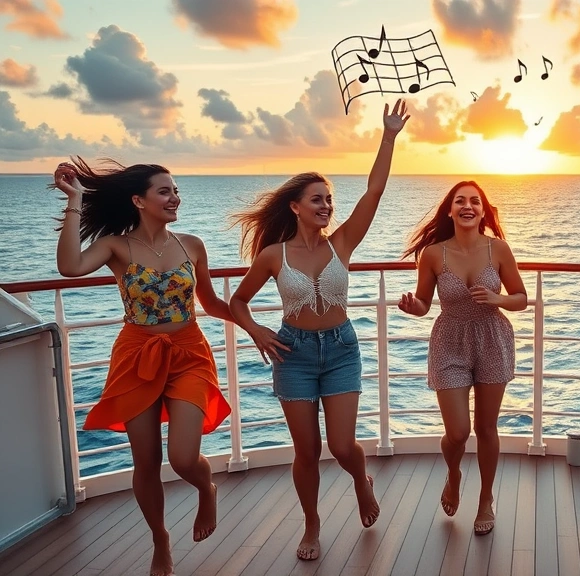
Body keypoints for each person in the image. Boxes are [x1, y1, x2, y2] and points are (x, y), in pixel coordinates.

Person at [228, 100, 409, 561]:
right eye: (317, 199)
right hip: (294, 354)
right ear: (295, 207)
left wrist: (388, 136)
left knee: (343, 444)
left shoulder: (343, 242)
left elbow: (374, 192)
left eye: (329, 199)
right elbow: (238, 301)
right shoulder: (273, 254)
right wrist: (256, 332)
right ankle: (312, 525)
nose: (327, 206)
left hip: (342, 349)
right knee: (306, 452)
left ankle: (361, 481)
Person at [51, 158, 234, 576]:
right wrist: (75, 199)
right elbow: (69, 267)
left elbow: (211, 303)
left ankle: (206, 488)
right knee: (146, 460)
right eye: (165, 191)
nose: (175, 198)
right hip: (137, 354)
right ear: (139, 200)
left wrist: (254, 327)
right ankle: (160, 539)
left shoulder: (192, 244)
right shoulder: (117, 246)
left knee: (185, 458)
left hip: (188, 352)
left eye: (176, 190)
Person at [397, 180, 527, 535]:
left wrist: (497, 299)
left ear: (483, 211)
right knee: (457, 431)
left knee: (486, 427)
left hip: (491, 336)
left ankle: (486, 498)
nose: (468, 206)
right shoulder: (434, 254)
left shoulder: (498, 249)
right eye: (460, 201)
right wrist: (413, 307)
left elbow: (521, 297)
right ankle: (453, 473)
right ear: (451, 210)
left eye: (475, 201)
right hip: (449, 339)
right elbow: (425, 303)